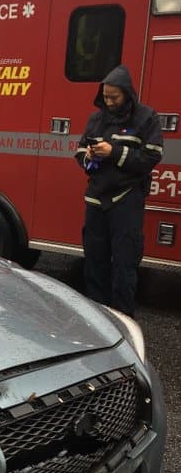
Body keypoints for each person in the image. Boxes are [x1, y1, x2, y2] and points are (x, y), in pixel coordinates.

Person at [75, 65, 163, 317]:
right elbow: (79, 152)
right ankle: (98, 321)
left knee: (124, 267)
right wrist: (89, 156)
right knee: (94, 265)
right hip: (96, 201)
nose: (109, 102)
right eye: (105, 97)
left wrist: (113, 152)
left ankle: (124, 322)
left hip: (126, 201)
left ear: (127, 93)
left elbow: (151, 157)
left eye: (114, 97)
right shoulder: (96, 119)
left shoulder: (146, 118)